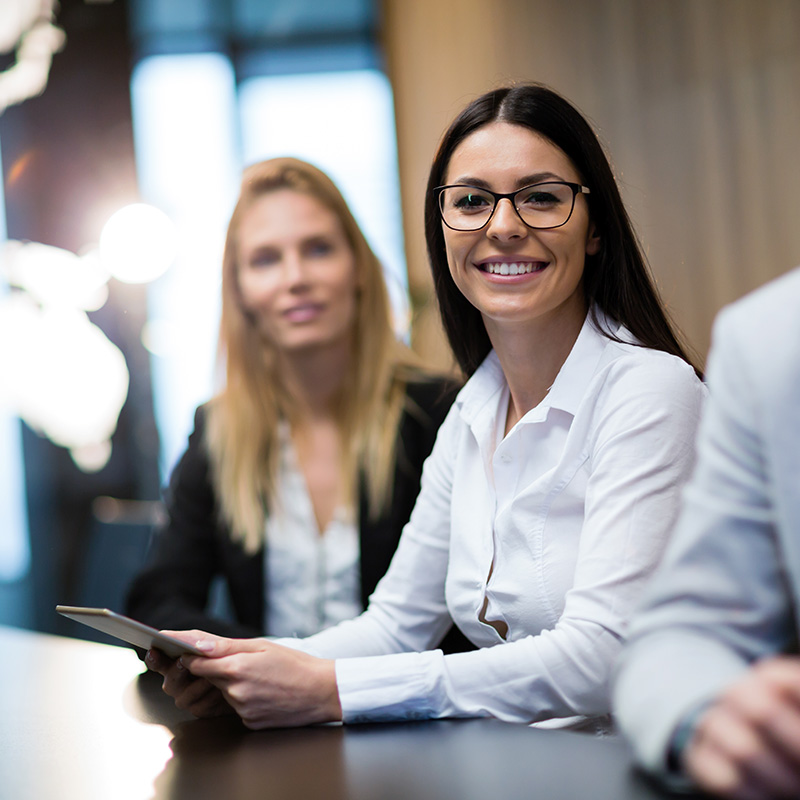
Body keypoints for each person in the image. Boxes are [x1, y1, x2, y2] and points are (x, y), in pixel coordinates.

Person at [146, 83, 705, 731]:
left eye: (541, 197)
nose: (503, 226)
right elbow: (394, 626)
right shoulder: (473, 411)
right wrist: (238, 666)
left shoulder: (650, 392)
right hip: (510, 765)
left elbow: (602, 655)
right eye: (471, 201)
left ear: (595, 229)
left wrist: (331, 689)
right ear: (442, 233)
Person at [125, 157, 468, 651]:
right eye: (265, 259)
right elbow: (157, 604)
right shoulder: (219, 429)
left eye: (318, 249)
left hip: (410, 699)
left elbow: (471, 623)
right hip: (263, 701)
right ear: (240, 290)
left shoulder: (442, 413)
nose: (295, 277)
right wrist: (269, 668)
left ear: (359, 268)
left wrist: (286, 669)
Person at [613, 266, 800, 799]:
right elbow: (684, 630)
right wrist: (709, 716)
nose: (504, 229)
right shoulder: (771, 340)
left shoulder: (653, 386)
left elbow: (597, 642)